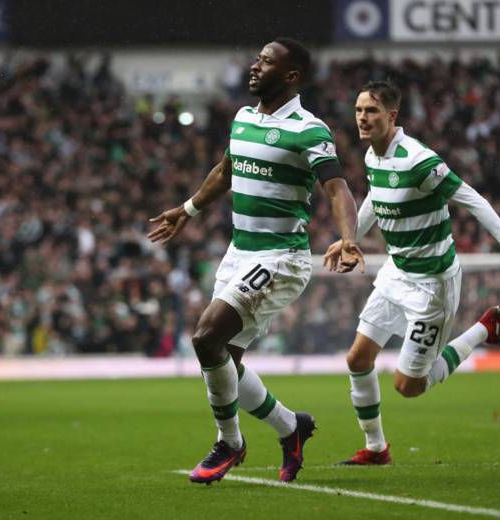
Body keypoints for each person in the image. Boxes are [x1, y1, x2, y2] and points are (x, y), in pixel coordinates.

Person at [147, 38, 364, 484]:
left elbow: (337, 188)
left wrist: (348, 239)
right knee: (224, 358)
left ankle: (229, 443)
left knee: (206, 337)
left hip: (281, 257)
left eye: (266, 62)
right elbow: (226, 171)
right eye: (257, 59)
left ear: (291, 76)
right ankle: (291, 427)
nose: (254, 66)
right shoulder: (244, 118)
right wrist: (187, 210)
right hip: (239, 253)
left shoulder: (309, 130)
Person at [324, 80, 500, 465]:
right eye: (359, 110)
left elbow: (472, 199)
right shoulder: (373, 156)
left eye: (371, 111)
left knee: (408, 386)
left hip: (432, 286)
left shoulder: (419, 161)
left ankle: (485, 328)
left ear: (392, 116)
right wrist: (349, 239)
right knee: (357, 359)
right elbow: (375, 200)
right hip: (397, 272)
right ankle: (376, 449)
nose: (362, 117)